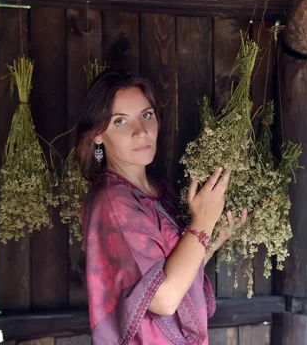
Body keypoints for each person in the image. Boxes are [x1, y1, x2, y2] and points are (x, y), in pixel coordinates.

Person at [76, 69, 248, 345]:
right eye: (120, 121)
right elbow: (164, 299)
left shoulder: (160, 190)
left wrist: (215, 237)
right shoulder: (112, 202)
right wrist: (202, 222)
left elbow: (175, 271)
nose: (140, 132)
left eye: (146, 115)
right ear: (97, 134)